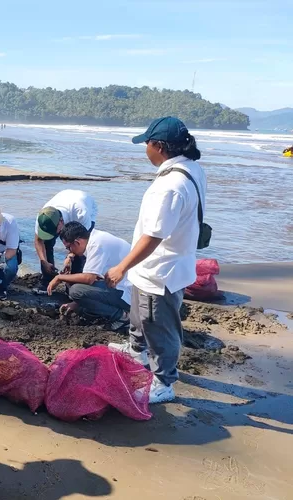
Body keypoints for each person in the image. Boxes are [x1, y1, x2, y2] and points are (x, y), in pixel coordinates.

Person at [104, 116, 207, 404]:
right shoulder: (191, 168)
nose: (145, 149)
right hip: (160, 265)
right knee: (139, 316)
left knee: (158, 326)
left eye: (147, 144)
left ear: (159, 146)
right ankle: (137, 350)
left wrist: (121, 267)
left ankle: (164, 382)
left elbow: (153, 237)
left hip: (160, 271)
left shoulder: (170, 186)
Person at [47, 222, 131, 330]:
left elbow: (89, 279)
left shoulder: (97, 245)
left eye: (69, 248)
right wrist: (76, 303)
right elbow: (96, 279)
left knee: (76, 290)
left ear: (77, 242)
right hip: (127, 289)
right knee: (83, 303)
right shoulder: (96, 238)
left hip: (130, 294)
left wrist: (59, 277)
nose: (70, 251)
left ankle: (122, 317)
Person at [34, 189, 98, 286]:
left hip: (85, 206)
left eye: (54, 231)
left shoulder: (81, 213)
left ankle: (75, 281)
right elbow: (38, 240)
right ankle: (48, 280)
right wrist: (45, 262)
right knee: (47, 243)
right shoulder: (43, 217)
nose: (53, 235)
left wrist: (70, 256)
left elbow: (81, 242)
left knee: (77, 249)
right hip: (65, 198)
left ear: (61, 222)